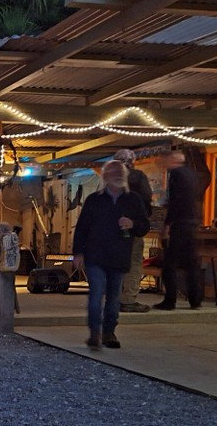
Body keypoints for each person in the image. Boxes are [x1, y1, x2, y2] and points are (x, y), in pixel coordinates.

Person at [72, 160, 150, 349]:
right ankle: (94, 332)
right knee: (97, 293)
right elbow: (82, 228)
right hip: (95, 256)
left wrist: (133, 224)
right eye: (112, 171)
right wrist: (78, 253)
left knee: (114, 297)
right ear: (105, 177)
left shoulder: (134, 200)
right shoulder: (94, 200)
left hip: (119, 256)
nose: (117, 175)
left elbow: (144, 226)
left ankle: (109, 332)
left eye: (120, 172)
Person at [154, 148, 202, 310]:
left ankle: (170, 300)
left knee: (169, 263)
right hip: (192, 222)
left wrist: (167, 224)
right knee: (191, 263)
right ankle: (195, 299)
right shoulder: (192, 174)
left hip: (180, 223)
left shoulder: (175, 175)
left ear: (171, 160)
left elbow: (175, 202)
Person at [113, 149, 154, 312]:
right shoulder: (138, 176)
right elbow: (147, 197)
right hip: (133, 226)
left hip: (112, 229)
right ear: (132, 161)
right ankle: (128, 299)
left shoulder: (110, 178)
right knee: (134, 262)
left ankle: (114, 297)